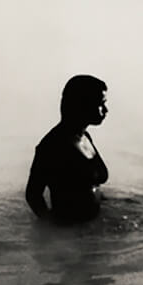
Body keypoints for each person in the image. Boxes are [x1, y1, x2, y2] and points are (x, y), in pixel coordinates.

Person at [25, 75, 109, 224]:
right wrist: (51, 230)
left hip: (90, 229)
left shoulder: (85, 137)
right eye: (101, 104)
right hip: (71, 233)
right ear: (84, 104)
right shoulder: (53, 145)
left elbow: (88, 186)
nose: (106, 110)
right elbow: (33, 195)